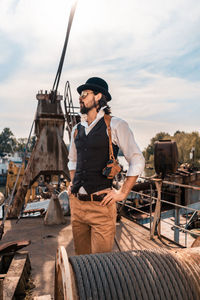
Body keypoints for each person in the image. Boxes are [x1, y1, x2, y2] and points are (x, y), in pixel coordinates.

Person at [68, 77, 145, 255]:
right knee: (81, 262)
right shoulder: (76, 129)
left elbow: (137, 159)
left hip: (101, 208)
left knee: (101, 267)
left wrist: (123, 192)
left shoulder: (116, 125)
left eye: (85, 94)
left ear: (98, 96)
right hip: (77, 207)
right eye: (80, 94)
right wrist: (73, 181)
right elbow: (72, 160)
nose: (80, 97)